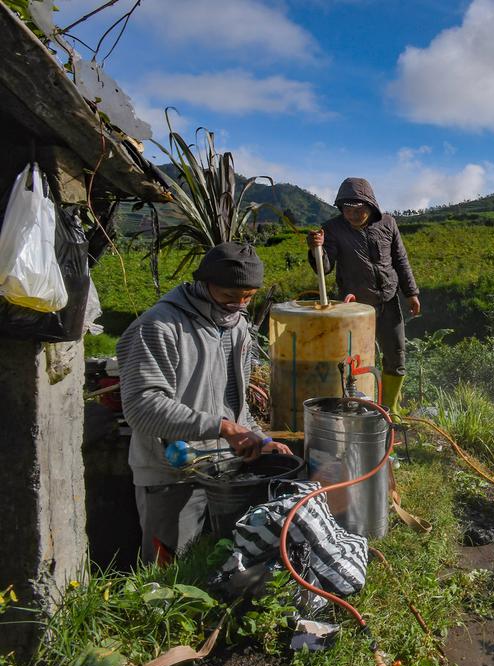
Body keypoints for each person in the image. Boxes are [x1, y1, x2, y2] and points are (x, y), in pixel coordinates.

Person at [117, 242, 290, 563]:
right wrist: (221, 428)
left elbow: (233, 402)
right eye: (229, 296)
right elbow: (142, 407)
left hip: (225, 473)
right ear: (203, 282)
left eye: (247, 298)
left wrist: (260, 439)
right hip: (173, 476)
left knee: (218, 568)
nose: (238, 305)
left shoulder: (237, 326)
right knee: (167, 576)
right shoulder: (158, 327)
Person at [306, 178, 420, 415]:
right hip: (354, 308)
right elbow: (324, 268)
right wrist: (315, 248)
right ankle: (354, 407)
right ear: (341, 209)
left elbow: (400, 259)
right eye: (348, 210)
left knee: (396, 355)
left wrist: (411, 293)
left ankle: (390, 410)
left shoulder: (388, 223)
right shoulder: (333, 229)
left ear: (370, 205)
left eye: (359, 210)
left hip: (388, 301)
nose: (353, 215)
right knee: (354, 360)